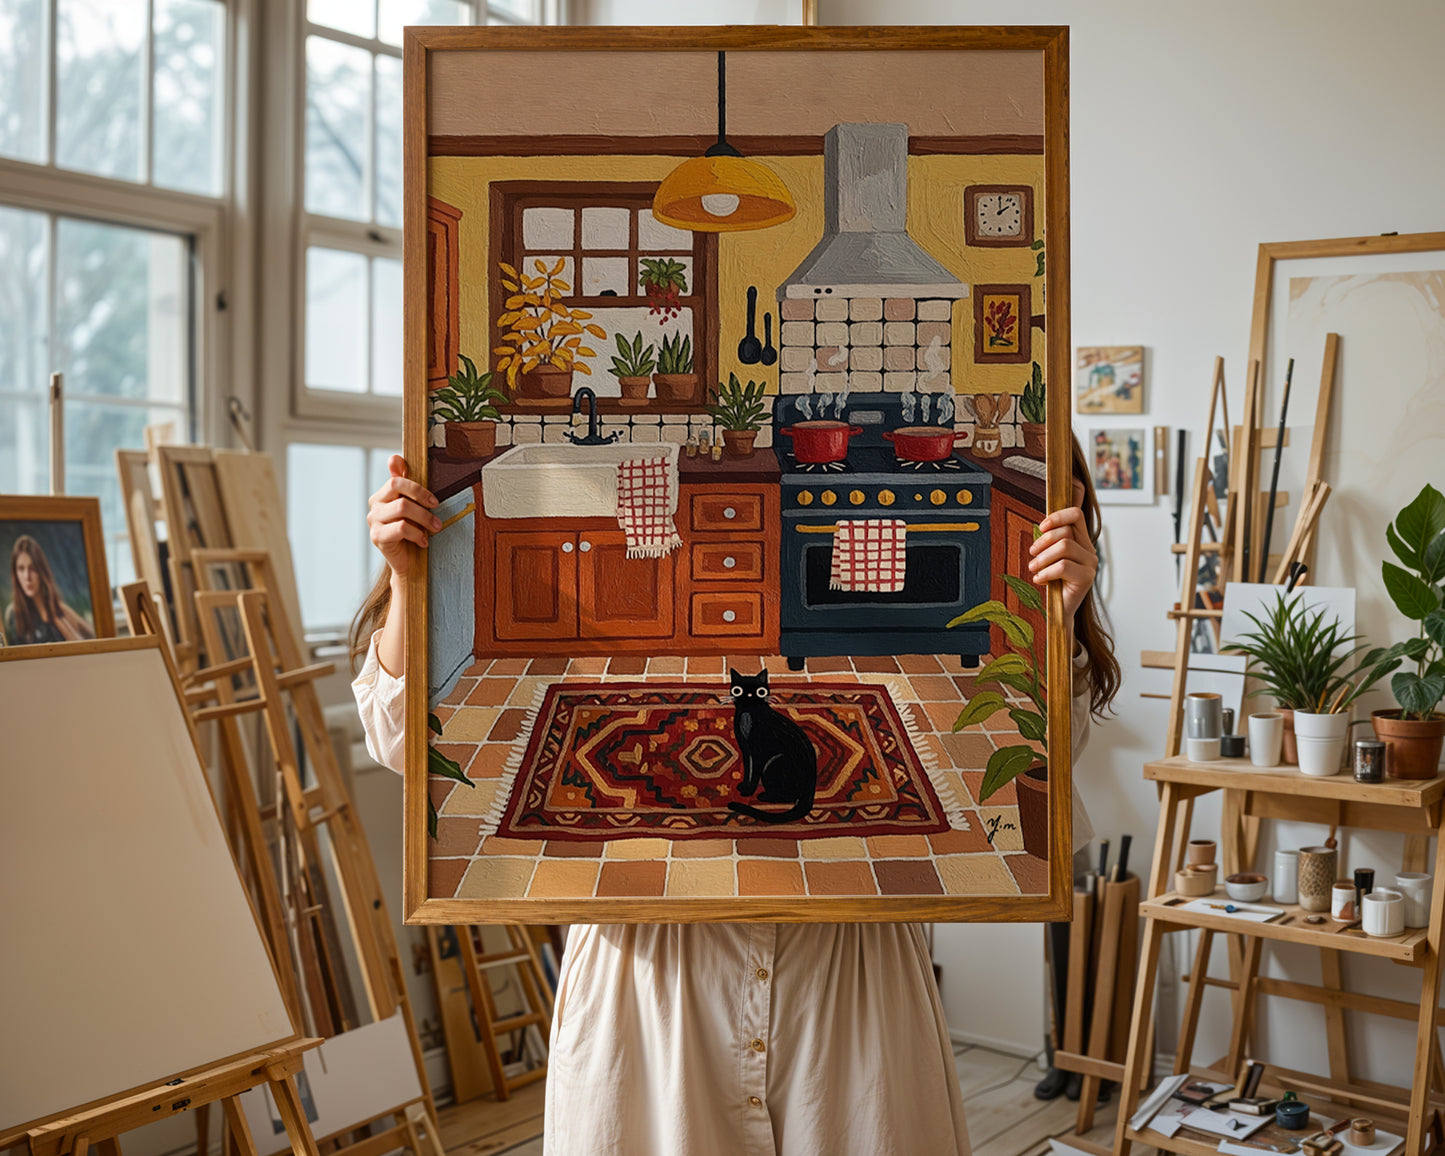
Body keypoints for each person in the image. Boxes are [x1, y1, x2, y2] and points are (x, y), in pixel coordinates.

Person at [351, 437, 1118, 1156]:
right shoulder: (420, 574)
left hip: (853, 976)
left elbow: (1046, 762)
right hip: (646, 982)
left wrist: (1059, 616)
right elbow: (400, 746)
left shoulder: (1047, 616)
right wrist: (406, 580)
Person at [5, 534, 96, 645]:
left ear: (41, 571)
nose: (27, 577)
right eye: (21, 569)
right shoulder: (13, 614)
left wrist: (55, 616)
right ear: (15, 573)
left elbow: (88, 643)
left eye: (32, 568)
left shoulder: (59, 609)